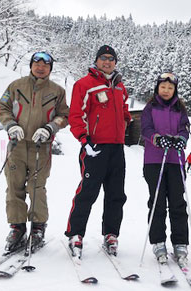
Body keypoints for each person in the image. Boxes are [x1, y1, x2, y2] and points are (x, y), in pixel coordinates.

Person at [0, 51, 69, 252]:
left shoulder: (57, 91)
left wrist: (49, 128)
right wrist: (10, 125)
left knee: (37, 187)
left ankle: (37, 227)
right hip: (17, 145)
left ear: (50, 69)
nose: (40, 67)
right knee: (14, 186)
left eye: (45, 65)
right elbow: (3, 108)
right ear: (31, 66)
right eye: (36, 63)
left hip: (41, 147)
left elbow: (64, 115)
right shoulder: (16, 86)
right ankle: (17, 227)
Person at [65, 45, 131, 259]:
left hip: (116, 149)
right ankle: (75, 234)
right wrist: (84, 140)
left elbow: (123, 110)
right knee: (88, 192)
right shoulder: (84, 84)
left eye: (111, 58)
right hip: (94, 147)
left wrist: (126, 120)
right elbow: (76, 115)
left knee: (116, 194)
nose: (107, 62)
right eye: (103, 58)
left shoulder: (120, 86)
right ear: (96, 60)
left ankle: (111, 234)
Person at [141, 72, 190, 263]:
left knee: (178, 201)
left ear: (175, 89)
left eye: (170, 88)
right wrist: (157, 139)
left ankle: (180, 242)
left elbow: (185, 128)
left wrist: (181, 139)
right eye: (163, 87)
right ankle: (158, 241)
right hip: (154, 160)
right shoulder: (150, 107)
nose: (166, 90)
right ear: (157, 88)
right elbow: (146, 129)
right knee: (157, 202)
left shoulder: (180, 109)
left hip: (175, 161)